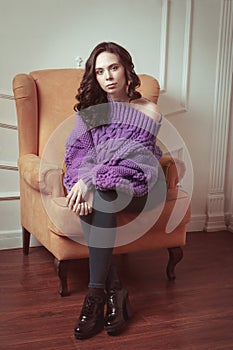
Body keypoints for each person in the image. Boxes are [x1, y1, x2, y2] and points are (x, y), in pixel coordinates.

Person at [64, 42, 167, 340]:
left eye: (113, 67)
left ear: (126, 69)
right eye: (99, 71)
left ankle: (95, 298)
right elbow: (76, 157)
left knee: (99, 190)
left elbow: (132, 160)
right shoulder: (93, 114)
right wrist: (85, 181)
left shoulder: (148, 110)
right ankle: (108, 294)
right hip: (106, 188)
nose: (107, 76)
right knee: (99, 196)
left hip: (142, 186)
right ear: (94, 77)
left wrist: (91, 179)